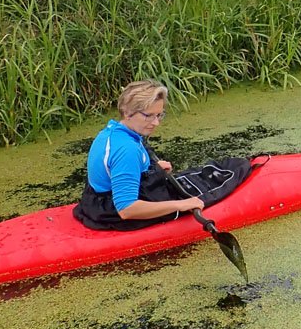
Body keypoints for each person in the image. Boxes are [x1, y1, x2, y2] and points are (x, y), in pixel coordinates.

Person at [74, 80, 206, 231]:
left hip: (93, 202)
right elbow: (126, 209)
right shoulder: (127, 150)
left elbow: (115, 168)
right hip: (114, 213)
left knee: (199, 177)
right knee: (207, 191)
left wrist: (152, 170)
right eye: (148, 115)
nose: (156, 123)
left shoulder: (112, 131)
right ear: (127, 112)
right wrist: (180, 205)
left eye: (159, 115)